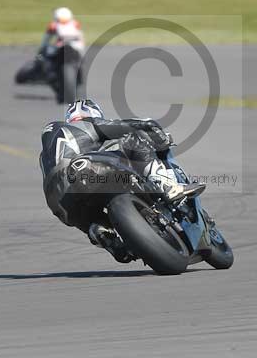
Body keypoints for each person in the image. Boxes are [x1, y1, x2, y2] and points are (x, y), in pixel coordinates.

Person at [39, 99, 204, 262]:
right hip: (82, 170)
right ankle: (167, 186)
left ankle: (100, 231)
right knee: (134, 140)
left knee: (93, 221)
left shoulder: (47, 151)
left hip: (59, 203)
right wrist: (156, 133)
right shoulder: (86, 124)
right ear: (92, 114)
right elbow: (133, 125)